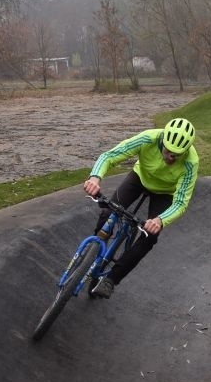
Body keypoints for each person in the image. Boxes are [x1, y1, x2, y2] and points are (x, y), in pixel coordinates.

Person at [83, 117, 198, 298]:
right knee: (108, 211)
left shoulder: (191, 162)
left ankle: (111, 279)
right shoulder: (148, 138)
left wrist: (160, 220)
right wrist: (95, 178)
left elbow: (181, 202)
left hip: (165, 192)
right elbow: (110, 156)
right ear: (162, 140)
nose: (171, 157)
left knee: (150, 236)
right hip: (139, 178)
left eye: (177, 154)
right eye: (168, 151)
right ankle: (95, 251)